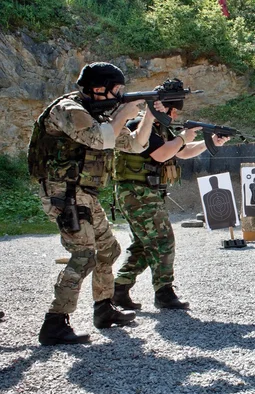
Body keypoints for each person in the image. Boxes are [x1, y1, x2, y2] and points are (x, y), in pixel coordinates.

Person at [29, 62, 167, 346]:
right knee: (84, 254)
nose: (119, 96)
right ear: (98, 89)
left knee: (109, 249)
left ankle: (104, 309)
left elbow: (137, 145)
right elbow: (101, 140)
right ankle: (54, 322)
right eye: (116, 90)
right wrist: (124, 114)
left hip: (83, 194)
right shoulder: (69, 110)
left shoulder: (101, 115)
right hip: (63, 192)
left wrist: (148, 116)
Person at [112, 80, 229, 311]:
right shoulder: (141, 125)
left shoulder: (160, 129)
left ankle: (119, 289)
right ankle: (164, 292)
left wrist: (210, 142)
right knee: (163, 240)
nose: (174, 115)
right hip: (136, 191)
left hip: (144, 192)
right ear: (166, 108)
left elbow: (183, 152)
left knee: (145, 245)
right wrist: (184, 136)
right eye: (173, 110)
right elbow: (161, 154)